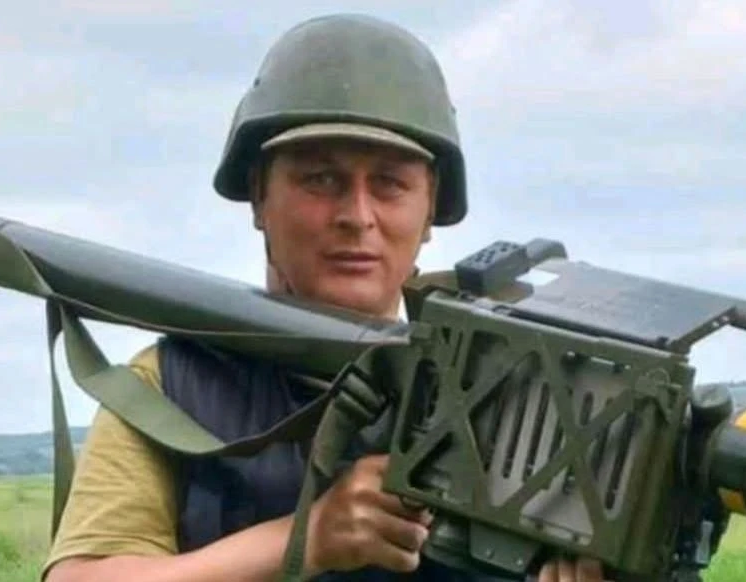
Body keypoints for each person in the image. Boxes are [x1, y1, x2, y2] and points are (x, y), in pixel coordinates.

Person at [42, 13, 606, 582]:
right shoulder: (171, 388)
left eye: (389, 184)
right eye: (321, 179)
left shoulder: (519, 400)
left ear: (430, 209)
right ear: (259, 197)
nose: (357, 216)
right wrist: (307, 538)